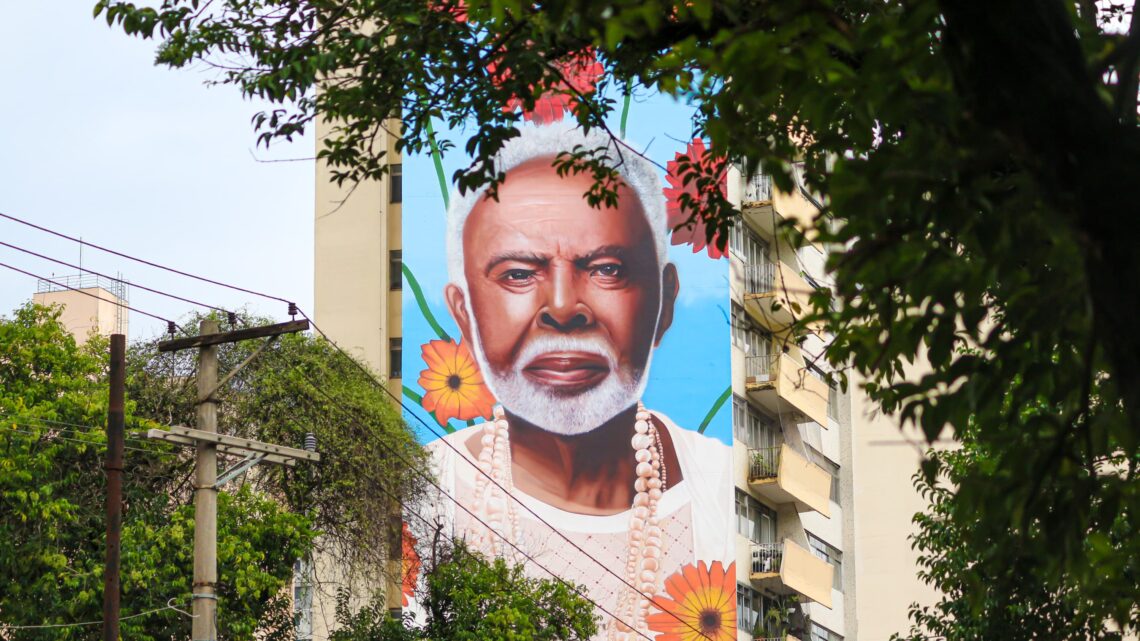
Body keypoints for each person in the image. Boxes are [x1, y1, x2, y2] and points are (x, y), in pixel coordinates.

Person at [425, 122, 733, 640]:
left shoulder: (725, 494)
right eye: (518, 274)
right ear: (464, 315)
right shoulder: (419, 494)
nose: (564, 307)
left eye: (607, 269)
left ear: (665, 304)